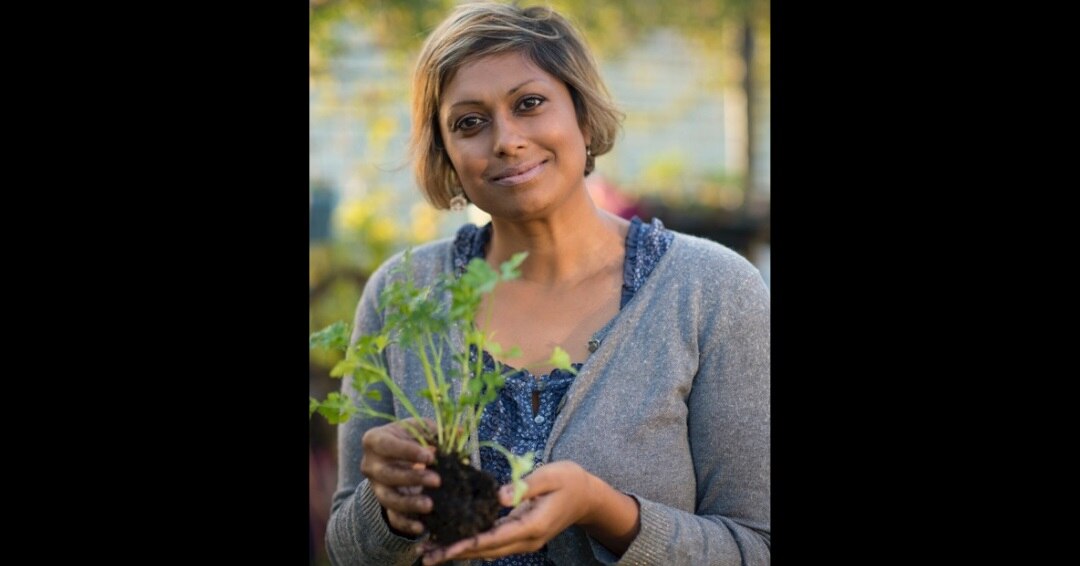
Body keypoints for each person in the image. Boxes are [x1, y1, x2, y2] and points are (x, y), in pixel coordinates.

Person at [325, 2, 770, 565]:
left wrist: (606, 511)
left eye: (529, 104)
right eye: (469, 123)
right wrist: (388, 509)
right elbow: (345, 550)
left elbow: (756, 547)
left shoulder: (712, 291)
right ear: (446, 154)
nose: (506, 140)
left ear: (582, 115)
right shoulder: (404, 293)